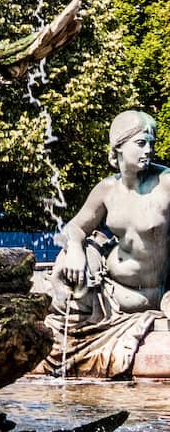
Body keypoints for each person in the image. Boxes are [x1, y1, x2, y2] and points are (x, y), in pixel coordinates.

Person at [51, 109, 170, 316]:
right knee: (61, 290)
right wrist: (76, 250)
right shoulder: (107, 189)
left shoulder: (166, 182)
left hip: (153, 294)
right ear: (119, 147)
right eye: (141, 143)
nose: (149, 150)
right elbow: (75, 227)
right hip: (110, 289)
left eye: (151, 143)